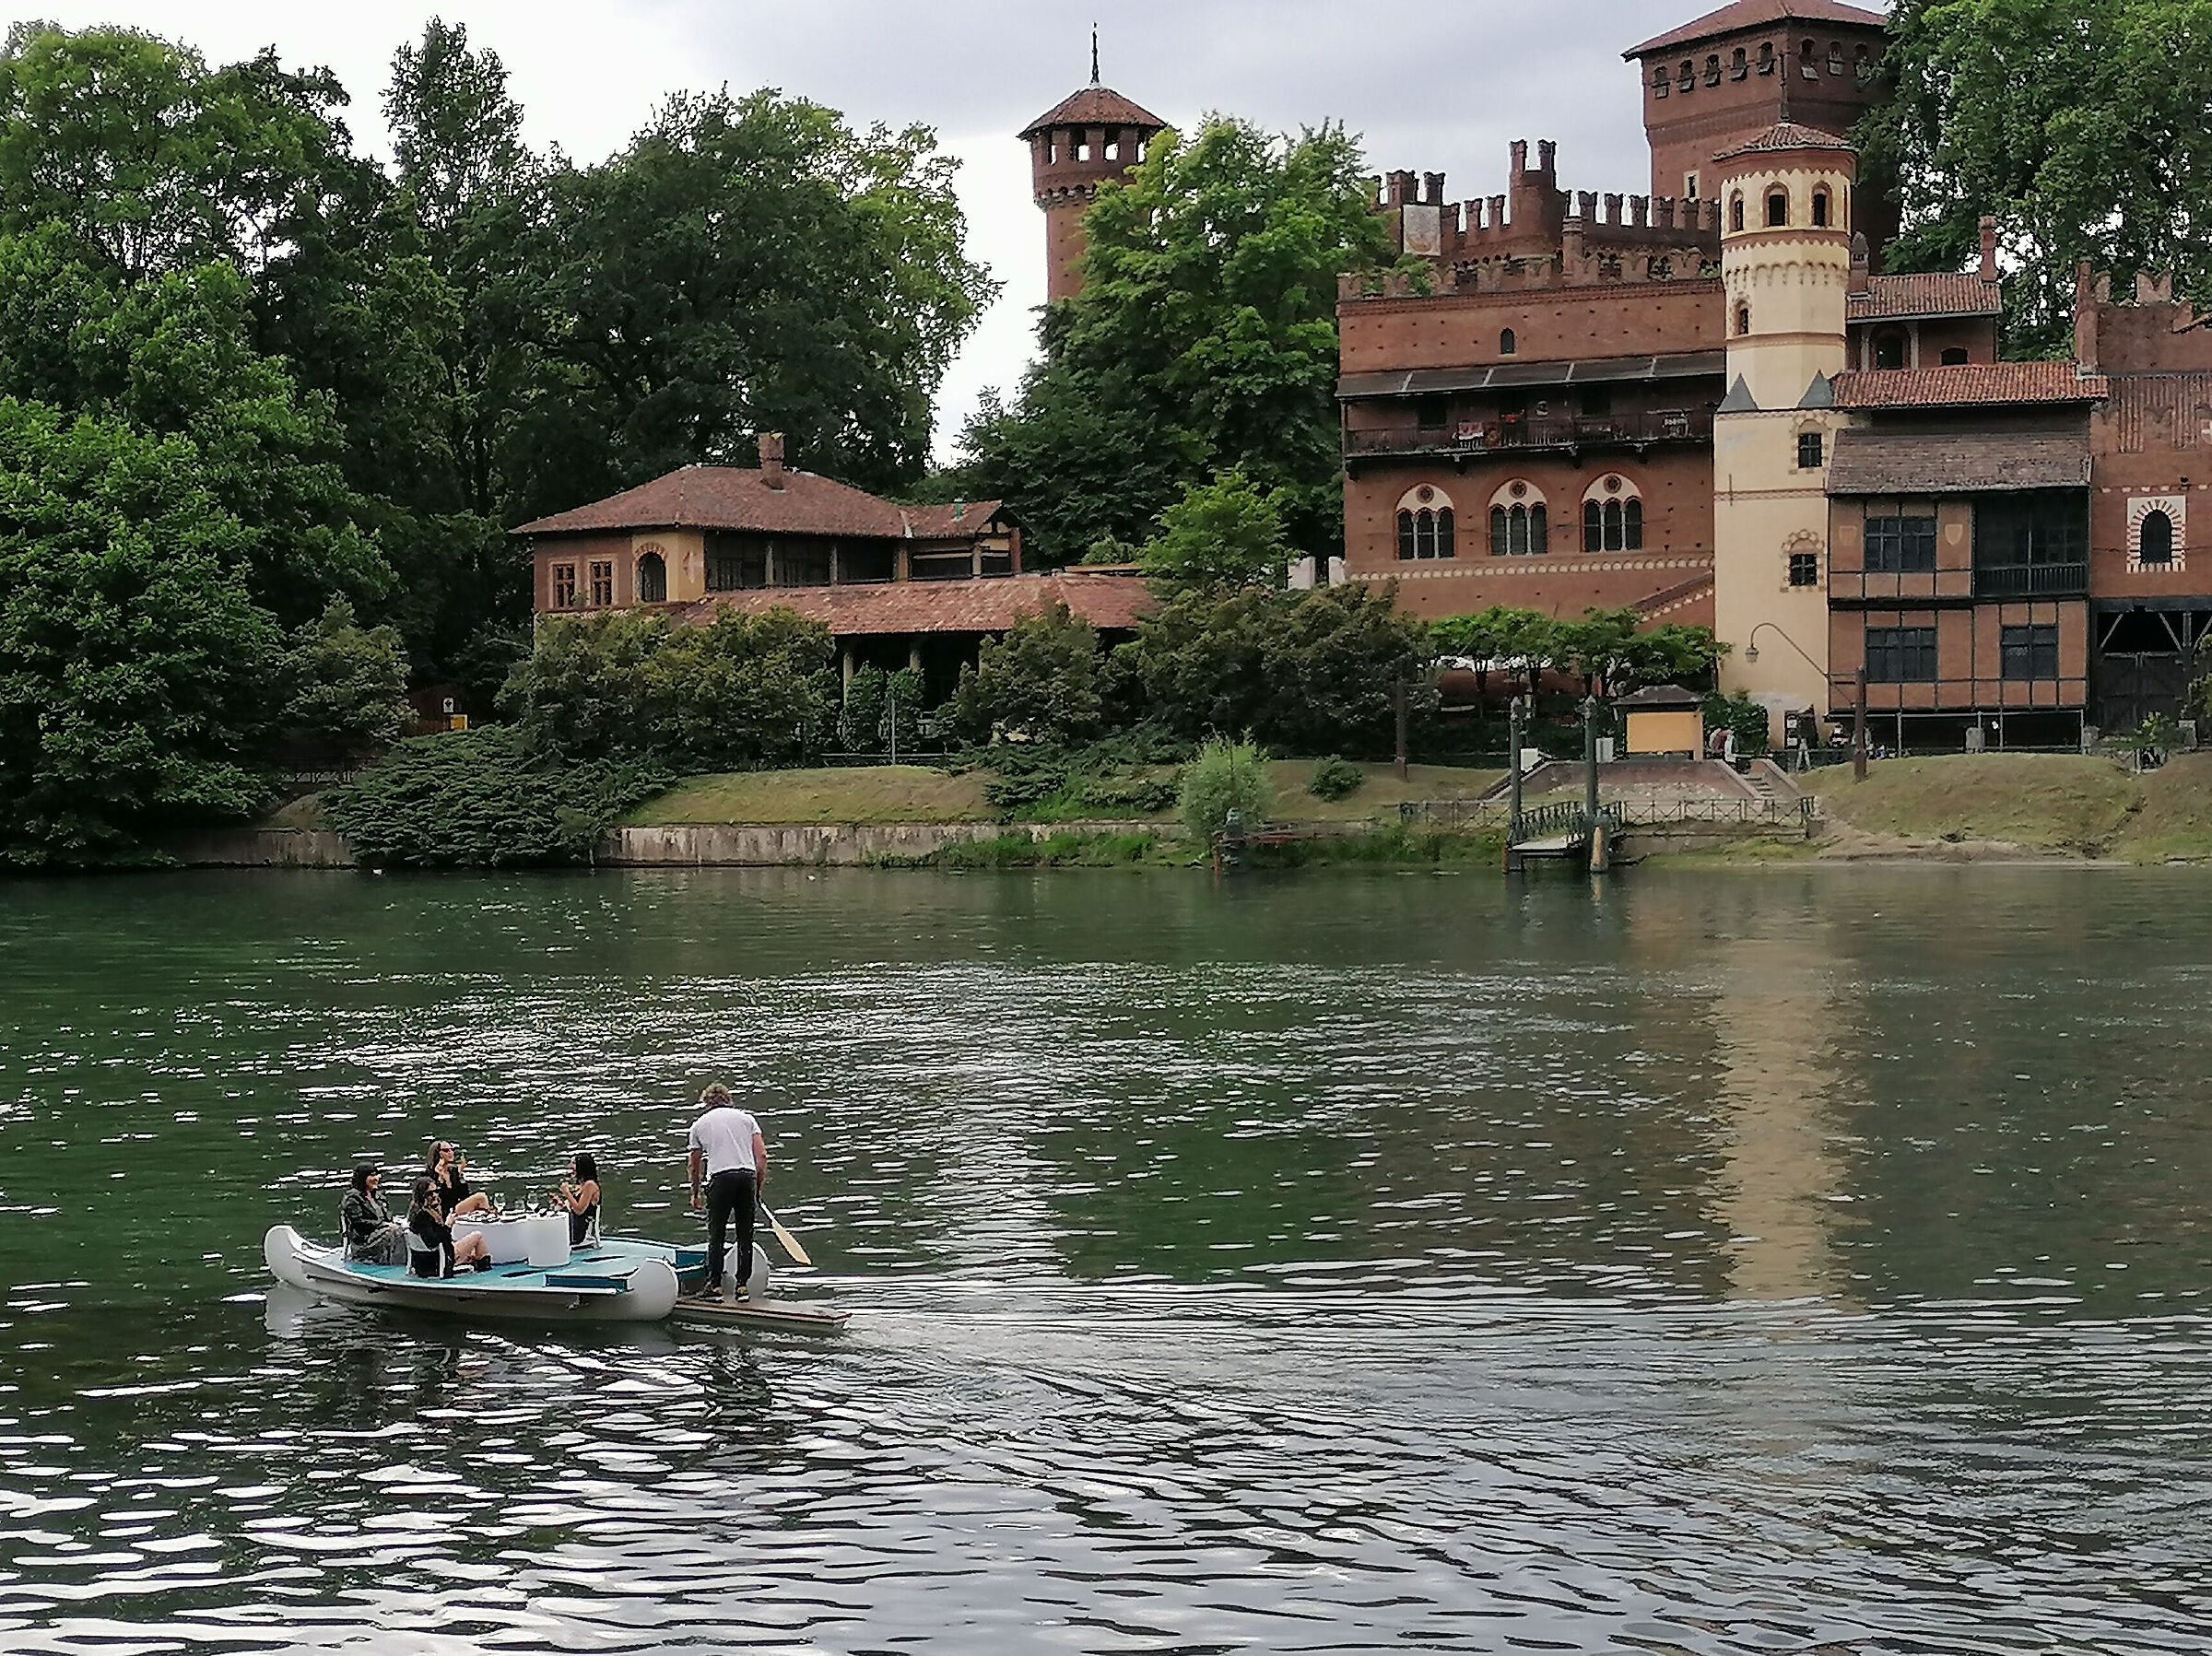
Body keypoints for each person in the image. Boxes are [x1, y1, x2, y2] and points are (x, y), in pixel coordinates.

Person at [688, 1085, 767, 1299]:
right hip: (746, 1177)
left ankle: (715, 1286)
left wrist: (695, 1193)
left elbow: (694, 1165)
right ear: (728, 1100)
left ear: (707, 1103)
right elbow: (762, 1157)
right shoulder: (747, 1119)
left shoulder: (699, 1125)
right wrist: (757, 1188)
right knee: (745, 1234)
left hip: (720, 1179)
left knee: (717, 1233)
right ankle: (742, 1285)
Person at [406, 1177, 491, 1278]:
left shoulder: (416, 1212)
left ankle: (479, 1268)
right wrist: (448, 1225)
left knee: (472, 1252)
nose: (434, 1195)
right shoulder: (423, 1216)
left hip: (427, 1262)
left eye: (436, 1191)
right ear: (422, 1195)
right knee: (478, 1236)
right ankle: (485, 1273)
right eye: (430, 1193)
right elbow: (433, 1242)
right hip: (438, 1261)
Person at [341, 1166, 408, 1266]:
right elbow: (359, 1224)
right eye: (372, 1175)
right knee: (393, 1231)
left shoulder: (379, 1197)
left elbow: (387, 1217)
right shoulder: (352, 1199)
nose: (376, 1178)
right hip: (364, 1239)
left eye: (376, 1175)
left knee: (405, 1230)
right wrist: (383, 1226)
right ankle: (396, 1263)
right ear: (362, 1178)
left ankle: (406, 1261)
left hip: (383, 1232)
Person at [426, 1142, 495, 1219]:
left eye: (452, 1150)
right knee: (480, 1197)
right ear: (438, 1153)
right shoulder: (430, 1174)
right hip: (444, 1210)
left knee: (482, 1204)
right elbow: (442, 1200)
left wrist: (460, 1176)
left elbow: (464, 1195)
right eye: (446, 1150)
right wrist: (443, 1180)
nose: (451, 1152)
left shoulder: (453, 1171)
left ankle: (489, 1218)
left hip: (455, 1207)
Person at [559, 1153, 601, 1248]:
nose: (571, 1167)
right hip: (574, 1232)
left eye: (574, 1164)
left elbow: (579, 1210)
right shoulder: (581, 1186)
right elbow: (574, 1209)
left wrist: (567, 1193)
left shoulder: (590, 1185)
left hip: (583, 1238)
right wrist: (563, 1205)